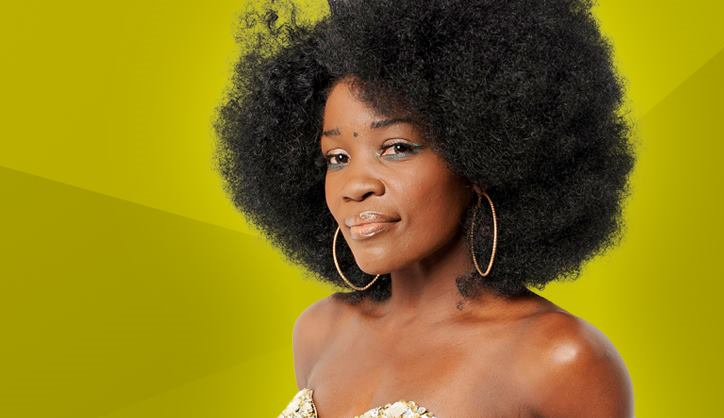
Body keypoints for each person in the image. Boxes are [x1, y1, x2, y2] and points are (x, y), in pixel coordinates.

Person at [214, 0, 636, 416]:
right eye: (337, 158)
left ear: (479, 158)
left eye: (397, 148)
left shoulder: (558, 359)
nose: (355, 186)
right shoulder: (320, 331)